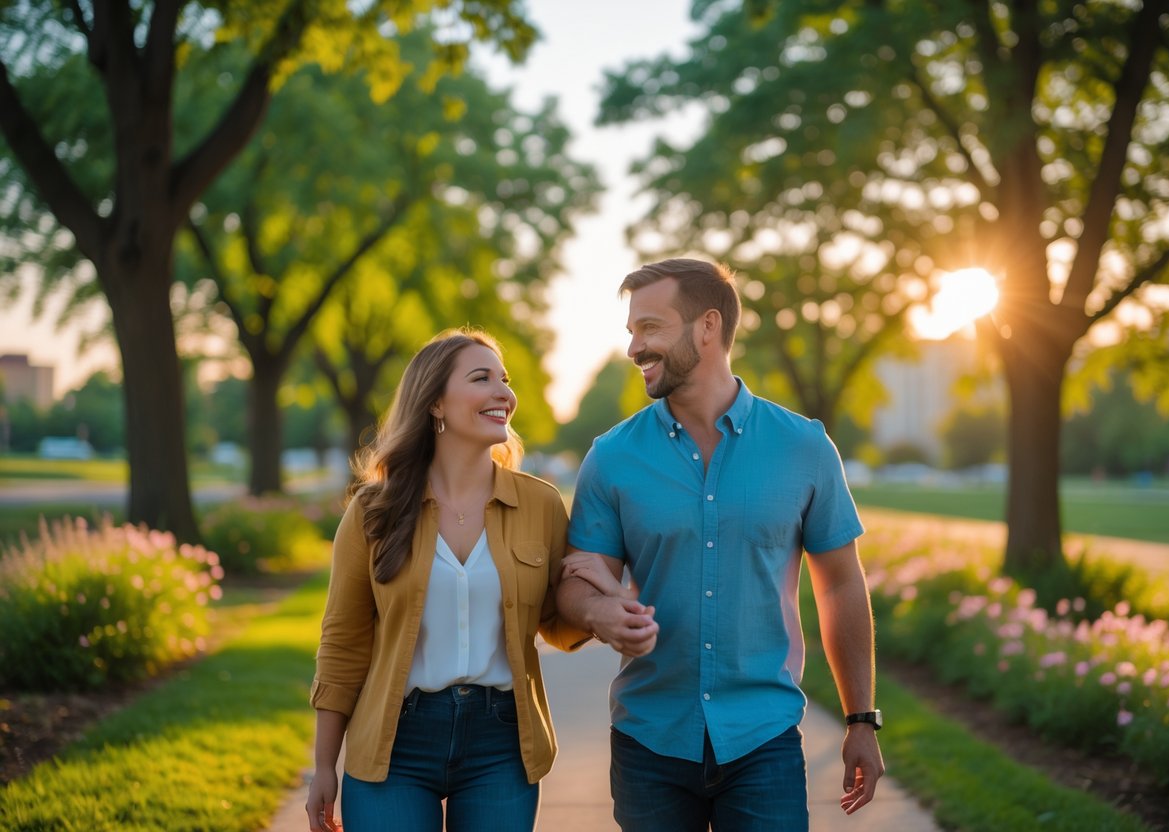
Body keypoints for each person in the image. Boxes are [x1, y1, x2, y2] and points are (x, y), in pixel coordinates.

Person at [557, 258, 885, 831]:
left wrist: (860, 718)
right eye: (631, 330)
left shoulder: (804, 446)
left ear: (708, 326)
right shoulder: (611, 457)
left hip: (764, 741)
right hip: (648, 743)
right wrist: (599, 611)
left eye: (650, 327)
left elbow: (840, 584)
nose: (634, 347)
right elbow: (579, 580)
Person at [306, 328, 608, 832]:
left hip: (501, 742)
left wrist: (599, 600)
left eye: (505, 380)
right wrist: (322, 766)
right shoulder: (373, 511)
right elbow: (342, 642)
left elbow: (557, 624)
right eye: (481, 378)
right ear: (436, 404)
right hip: (393, 742)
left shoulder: (540, 504)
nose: (504, 394)